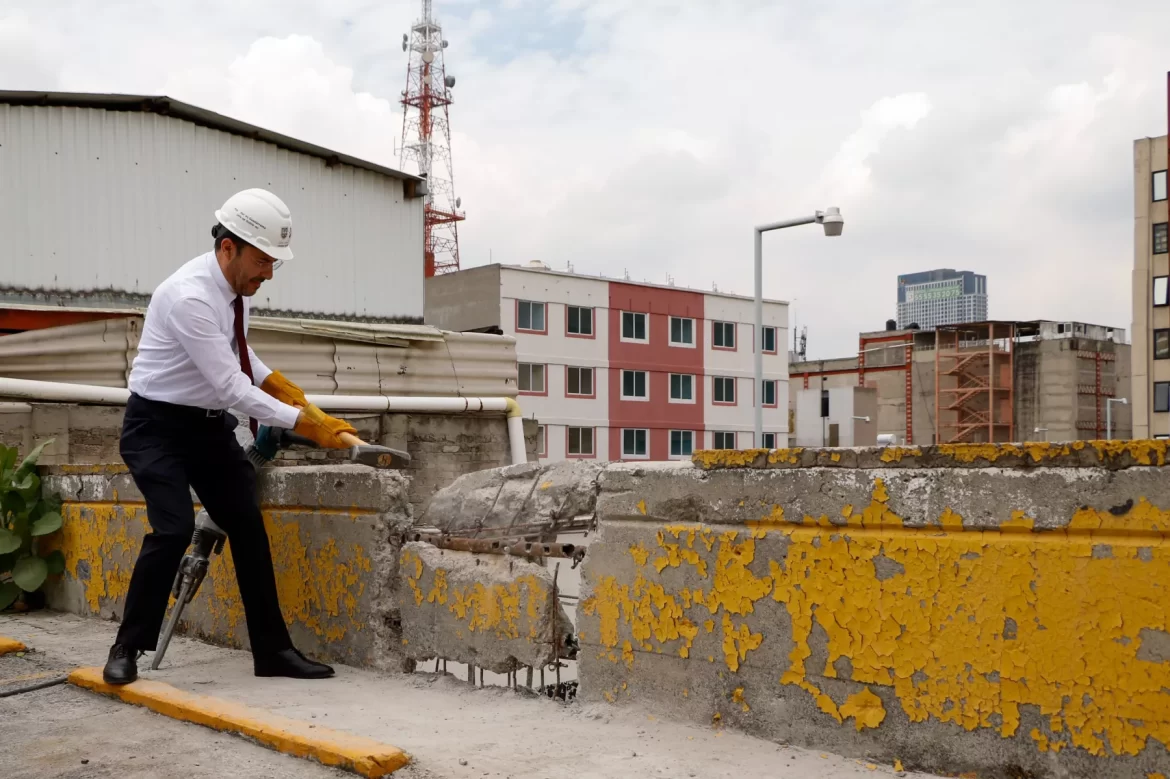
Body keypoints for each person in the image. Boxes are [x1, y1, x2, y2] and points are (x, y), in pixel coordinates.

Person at [103, 188, 357, 685]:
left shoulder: (232, 291)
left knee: (247, 526)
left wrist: (286, 390)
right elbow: (229, 385)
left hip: (206, 429)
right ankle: (126, 646)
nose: (267, 273)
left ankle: (272, 652)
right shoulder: (189, 297)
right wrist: (304, 422)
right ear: (229, 248)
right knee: (173, 529)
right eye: (262, 261)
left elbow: (241, 359)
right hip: (155, 428)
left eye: (273, 264)